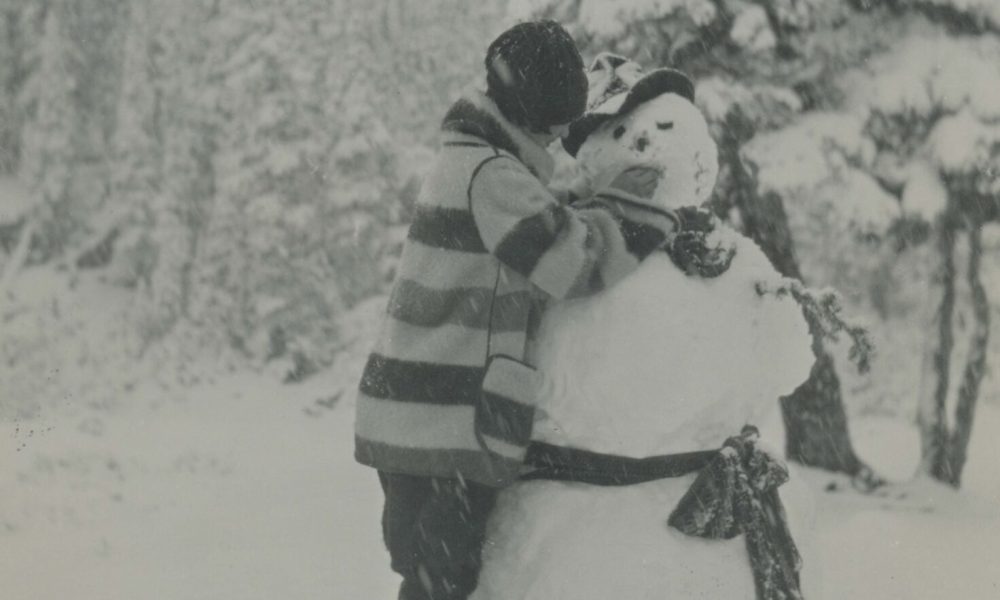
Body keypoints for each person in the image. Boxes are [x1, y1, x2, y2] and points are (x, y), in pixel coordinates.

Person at [353, 20, 680, 600]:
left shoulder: (473, 158)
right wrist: (634, 210)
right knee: (441, 581)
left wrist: (582, 201)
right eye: (556, 124)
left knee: (427, 574)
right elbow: (571, 263)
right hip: (445, 423)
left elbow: (535, 223)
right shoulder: (493, 177)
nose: (559, 138)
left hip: (412, 412)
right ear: (529, 114)